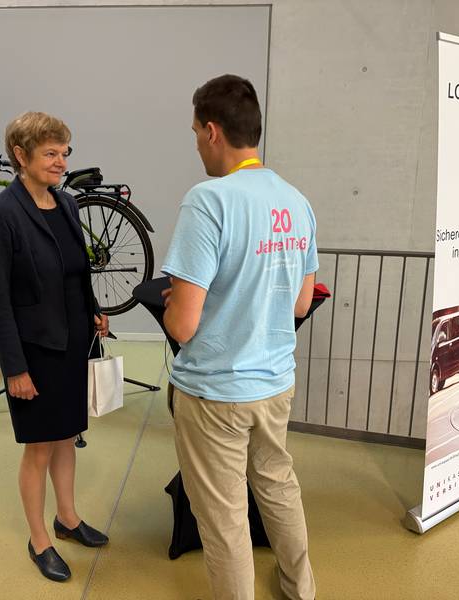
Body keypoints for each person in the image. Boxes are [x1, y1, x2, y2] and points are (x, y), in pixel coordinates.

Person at [161, 74, 318, 600]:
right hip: (274, 384)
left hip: (214, 394)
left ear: (211, 132)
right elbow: (300, 303)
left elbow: (183, 325)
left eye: (192, 132)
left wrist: (171, 305)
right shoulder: (297, 202)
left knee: (225, 521)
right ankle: (301, 589)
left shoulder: (208, 201)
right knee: (278, 486)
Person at [0, 111, 110, 583]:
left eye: (64, 152)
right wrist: (14, 368)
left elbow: (75, 271)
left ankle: (67, 518)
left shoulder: (67, 204)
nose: (61, 161)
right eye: (51, 153)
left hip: (73, 341)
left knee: (66, 436)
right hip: (34, 350)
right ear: (21, 155)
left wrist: (93, 311)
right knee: (38, 449)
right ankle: (39, 540)